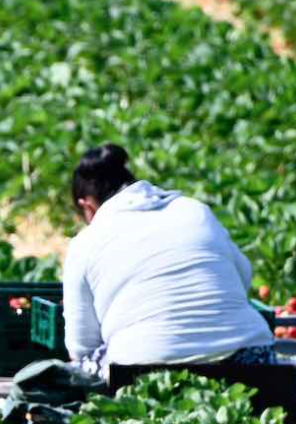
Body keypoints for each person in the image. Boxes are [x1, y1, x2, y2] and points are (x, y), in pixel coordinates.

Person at [61, 144, 274, 375]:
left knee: (80, 369)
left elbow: (81, 347)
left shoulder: (86, 242)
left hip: (144, 365)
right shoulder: (195, 211)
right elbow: (243, 277)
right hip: (251, 357)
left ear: (87, 206)